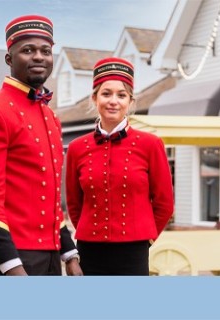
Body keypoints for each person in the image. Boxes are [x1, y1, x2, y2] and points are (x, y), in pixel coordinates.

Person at [0, 15, 82, 276]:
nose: (39, 57)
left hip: (50, 251)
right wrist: (11, 265)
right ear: (9, 59)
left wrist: (70, 253)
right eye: (28, 50)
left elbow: (50, 198)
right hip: (11, 253)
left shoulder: (51, 117)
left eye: (46, 51)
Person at [65, 57, 174, 275]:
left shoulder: (151, 144)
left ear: (130, 102)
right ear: (94, 98)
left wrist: (146, 239)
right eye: (106, 94)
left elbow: (164, 203)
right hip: (90, 250)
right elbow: (74, 204)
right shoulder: (77, 148)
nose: (113, 101)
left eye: (121, 95)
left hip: (134, 252)